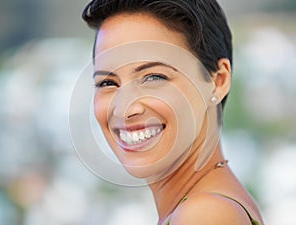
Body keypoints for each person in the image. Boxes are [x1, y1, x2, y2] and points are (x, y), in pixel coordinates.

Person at [81, 0, 264, 224]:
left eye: (154, 77)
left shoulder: (205, 214)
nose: (124, 109)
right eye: (108, 82)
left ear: (218, 81)